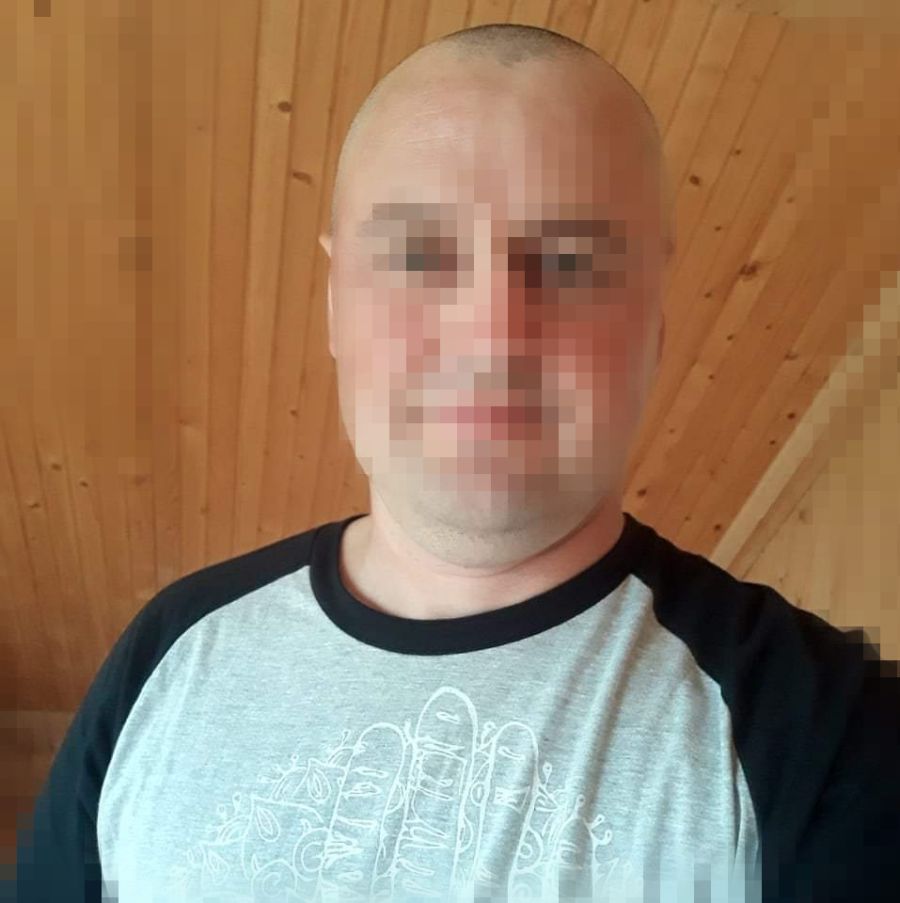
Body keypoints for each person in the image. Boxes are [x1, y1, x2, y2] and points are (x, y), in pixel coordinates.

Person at [15, 23, 899, 903]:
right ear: (335, 303)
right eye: (417, 254)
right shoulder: (173, 648)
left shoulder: (830, 725)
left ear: (654, 325)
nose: (493, 336)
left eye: (572, 262)